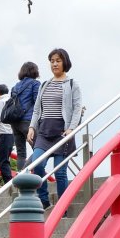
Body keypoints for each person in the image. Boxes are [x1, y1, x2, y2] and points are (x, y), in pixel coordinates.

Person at [27, 48, 83, 209]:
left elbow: (77, 108)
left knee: (60, 173)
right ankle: (44, 199)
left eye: (58, 60)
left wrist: (72, 129)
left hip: (62, 132)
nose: (54, 64)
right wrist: (32, 127)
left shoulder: (72, 84)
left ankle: (62, 208)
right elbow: (37, 109)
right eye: (52, 61)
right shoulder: (45, 84)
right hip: (44, 131)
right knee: (37, 165)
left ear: (65, 62)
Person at [11, 61, 41, 171]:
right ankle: (25, 172)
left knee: (21, 153)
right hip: (28, 121)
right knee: (40, 149)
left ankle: (20, 181)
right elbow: (38, 102)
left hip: (15, 122)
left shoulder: (15, 87)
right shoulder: (35, 84)